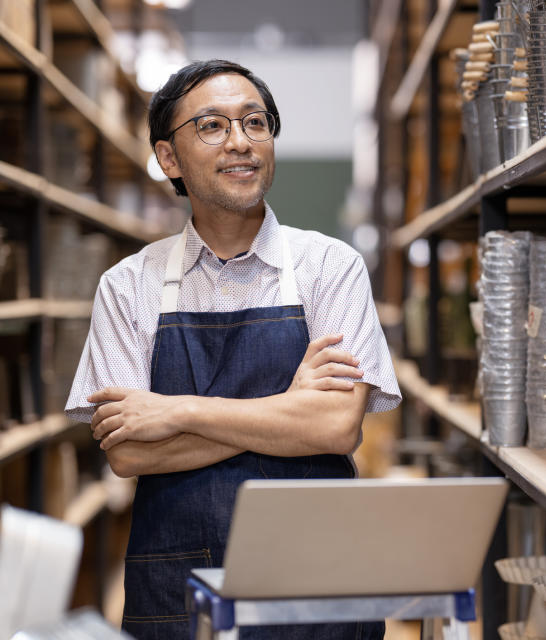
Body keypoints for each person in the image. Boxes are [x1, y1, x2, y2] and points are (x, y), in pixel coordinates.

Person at [65, 59, 401, 640]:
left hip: (317, 584)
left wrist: (178, 411)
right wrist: (287, 414)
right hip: (180, 581)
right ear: (168, 157)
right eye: (212, 126)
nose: (241, 142)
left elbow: (337, 428)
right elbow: (128, 455)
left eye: (256, 122)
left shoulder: (330, 267)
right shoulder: (128, 285)